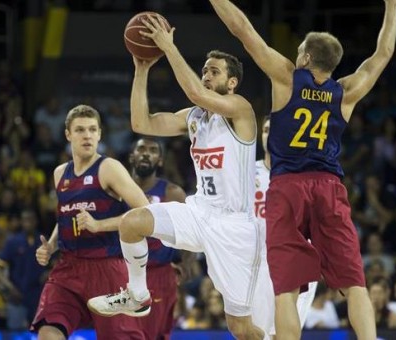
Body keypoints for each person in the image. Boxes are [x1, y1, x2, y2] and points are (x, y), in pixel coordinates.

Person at [209, 0, 396, 339]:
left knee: (287, 289)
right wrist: (392, 6)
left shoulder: (286, 77)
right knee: (355, 283)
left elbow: (241, 28)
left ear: (307, 58)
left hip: (288, 187)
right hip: (329, 186)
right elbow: (382, 54)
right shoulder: (347, 91)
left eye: (299, 52)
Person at [88, 15, 268, 340]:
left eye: (214, 71)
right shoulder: (195, 117)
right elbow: (142, 123)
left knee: (239, 327)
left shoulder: (240, 110)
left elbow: (197, 94)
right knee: (132, 223)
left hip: (235, 227)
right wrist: (141, 71)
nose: (206, 75)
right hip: (199, 212)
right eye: (205, 70)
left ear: (232, 83)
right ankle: (137, 295)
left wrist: (169, 47)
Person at [32, 104, 148, 339]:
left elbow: (145, 212)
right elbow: (66, 215)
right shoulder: (59, 173)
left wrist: (99, 225)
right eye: (80, 130)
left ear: (100, 134)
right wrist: (52, 245)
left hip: (106, 267)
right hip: (68, 267)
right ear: (68, 135)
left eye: (93, 130)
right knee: (47, 331)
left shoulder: (109, 168)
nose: (87, 135)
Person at [254, 118, 318, 332]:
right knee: (254, 334)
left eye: (275, 129)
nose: (269, 134)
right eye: (265, 130)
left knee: (285, 335)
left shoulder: (306, 174)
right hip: (256, 263)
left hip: (294, 260)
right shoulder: (245, 174)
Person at [128, 137, 189, 340]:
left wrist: (183, 264)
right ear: (132, 157)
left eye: (153, 150)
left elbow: (189, 233)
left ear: (160, 161)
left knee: (155, 336)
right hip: (122, 272)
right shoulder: (116, 190)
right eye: (141, 149)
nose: (146, 153)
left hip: (159, 273)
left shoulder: (172, 193)